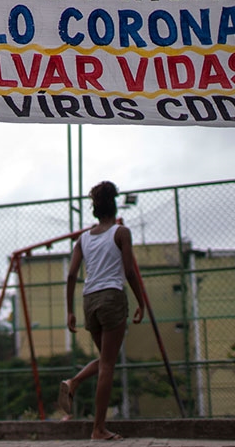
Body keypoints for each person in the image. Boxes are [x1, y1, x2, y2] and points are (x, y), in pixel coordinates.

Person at [59, 181, 145, 441]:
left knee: (106, 359)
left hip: (89, 301)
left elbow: (72, 274)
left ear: (94, 208)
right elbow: (129, 271)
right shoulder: (121, 232)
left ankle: (73, 383)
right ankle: (98, 429)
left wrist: (70, 311)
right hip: (111, 297)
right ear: (114, 204)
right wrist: (141, 302)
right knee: (108, 364)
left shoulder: (83, 239)